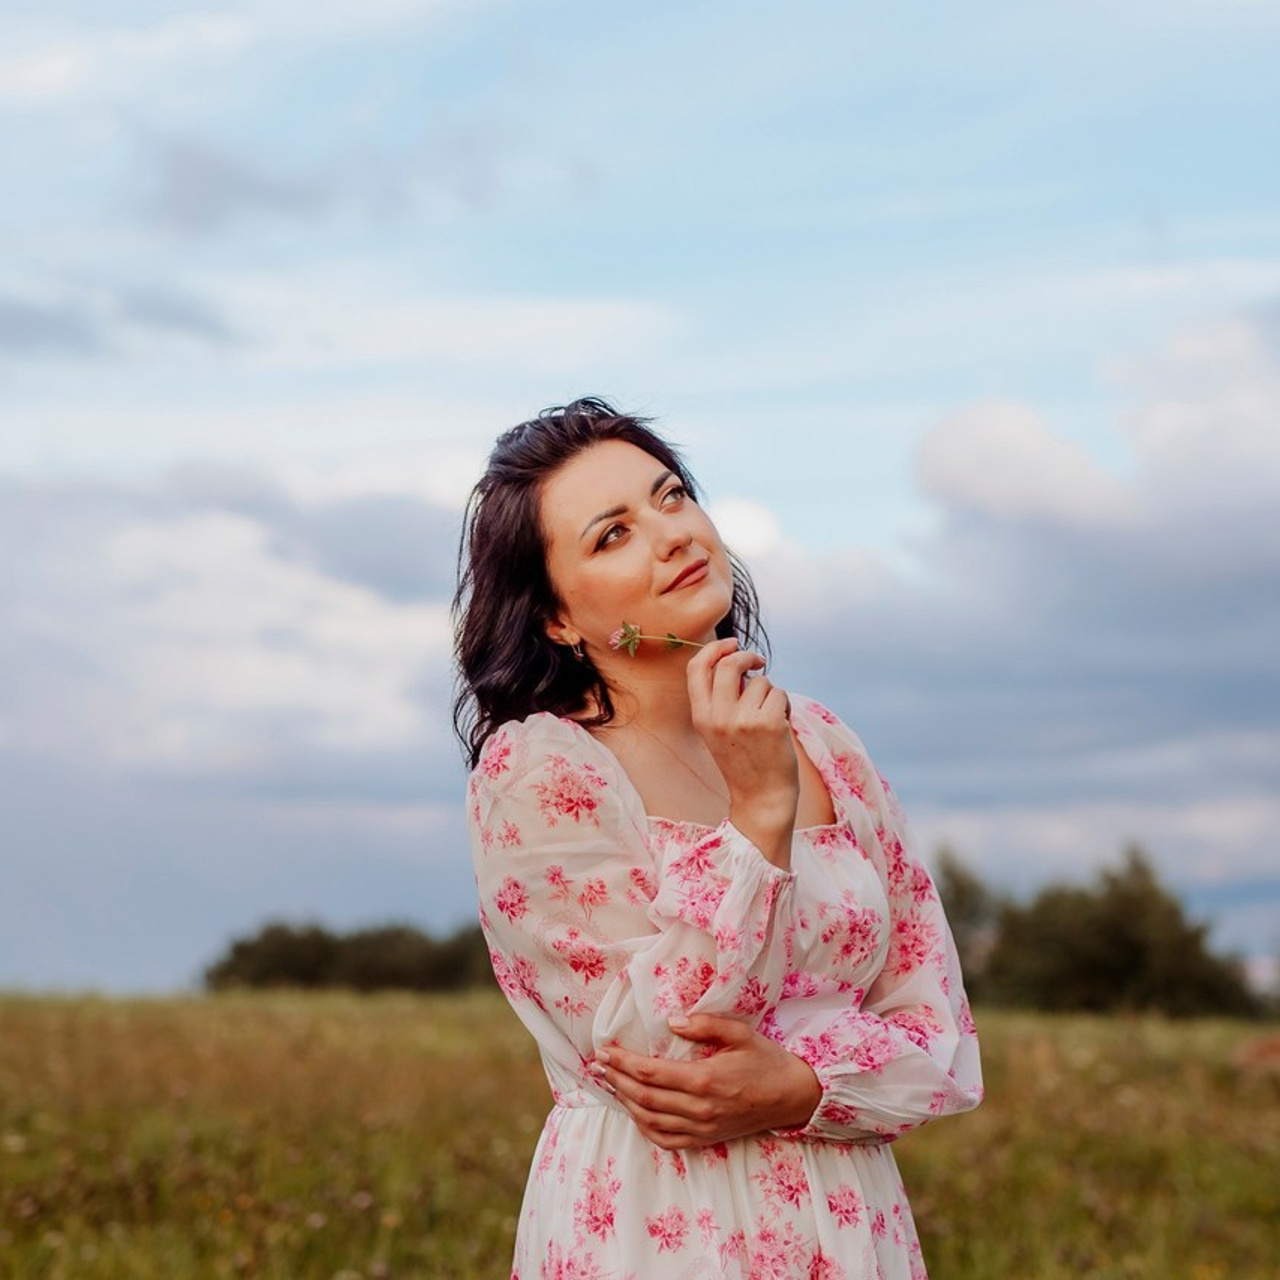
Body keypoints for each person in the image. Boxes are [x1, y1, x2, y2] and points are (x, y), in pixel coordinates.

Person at [453, 398, 982, 1279]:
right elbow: (657, 1058)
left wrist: (805, 1088)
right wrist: (758, 815)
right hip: (659, 1227)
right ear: (554, 617)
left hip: (851, 1229)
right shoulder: (539, 773)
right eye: (612, 535)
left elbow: (941, 1035)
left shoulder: (821, 739)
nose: (671, 535)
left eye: (670, 496)